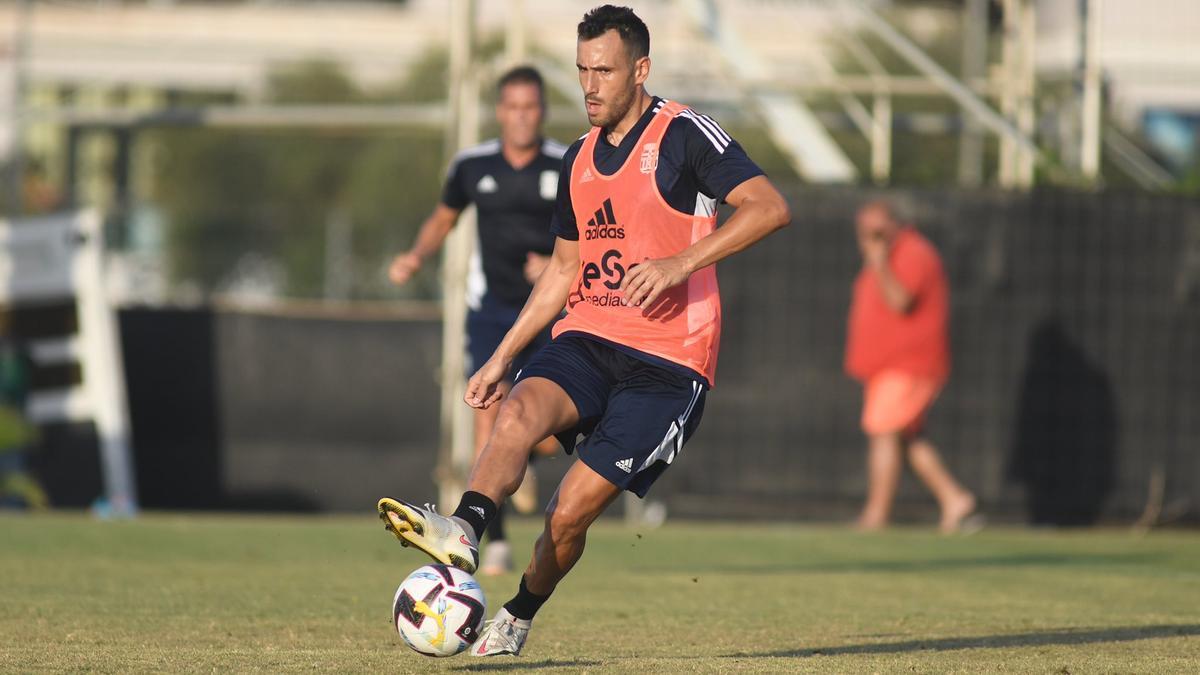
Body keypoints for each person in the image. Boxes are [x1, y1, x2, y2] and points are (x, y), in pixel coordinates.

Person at [377, 4, 791, 657]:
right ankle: (465, 526)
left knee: (568, 514)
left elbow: (769, 207)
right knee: (517, 408)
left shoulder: (683, 134)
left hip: (668, 363)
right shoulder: (578, 159)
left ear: (640, 69)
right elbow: (564, 271)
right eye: (581, 70)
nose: (590, 85)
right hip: (590, 334)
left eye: (604, 70)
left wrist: (679, 261)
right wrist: (503, 355)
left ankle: (517, 612)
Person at [387, 65, 563, 575]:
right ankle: (498, 539)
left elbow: (588, 235)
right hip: (490, 312)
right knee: (488, 412)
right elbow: (443, 218)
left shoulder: (566, 164)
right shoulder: (472, 165)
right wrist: (416, 257)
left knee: (547, 428)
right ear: (499, 112)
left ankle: (525, 459)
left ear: (542, 111)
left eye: (530, 107)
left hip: (549, 309)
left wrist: (553, 266)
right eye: (512, 107)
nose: (521, 117)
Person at [844, 199, 978, 533]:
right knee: (908, 436)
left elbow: (899, 300)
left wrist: (879, 262)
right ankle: (954, 499)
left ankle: (876, 515)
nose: (868, 238)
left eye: (875, 230)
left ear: (894, 225)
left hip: (908, 363)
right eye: (863, 231)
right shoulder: (887, 257)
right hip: (887, 364)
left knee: (884, 431)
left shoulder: (913, 252)